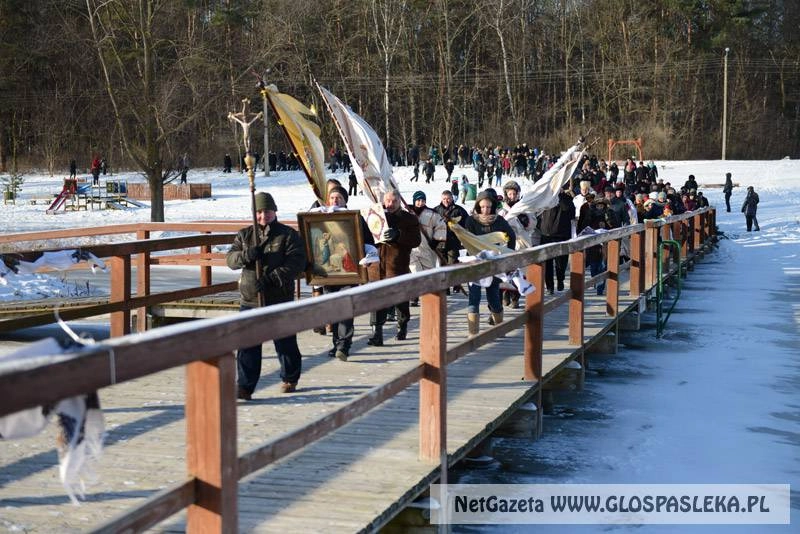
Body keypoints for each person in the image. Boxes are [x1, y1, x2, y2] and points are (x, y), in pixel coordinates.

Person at [226, 192, 306, 399]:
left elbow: (296, 263)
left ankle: (290, 377)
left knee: (285, 341)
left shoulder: (287, 235)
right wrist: (247, 255)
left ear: (274, 211)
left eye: (267, 212)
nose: (263, 216)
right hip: (251, 300)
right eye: (259, 212)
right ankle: (245, 386)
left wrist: (272, 277)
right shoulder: (245, 235)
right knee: (248, 345)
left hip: (279, 298)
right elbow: (231, 260)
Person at [321, 186, 374, 361]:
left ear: (345, 200)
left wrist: (367, 256)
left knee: (344, 306)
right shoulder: (321, 218)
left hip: (350, 271)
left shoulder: (355, 218)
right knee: (332, 308)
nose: (335, 201)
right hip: (329, 273)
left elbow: (368, 242)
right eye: (333, 198)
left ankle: (344, 344)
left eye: (339, 198)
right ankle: (336, 342)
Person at [367, 189, 421, 346]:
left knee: (400, 299)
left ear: (399, 202)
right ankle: (377, 333)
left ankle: (402, 325)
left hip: (397, 265)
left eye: (393, 201)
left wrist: (399, 234)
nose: (390, 204)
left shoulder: (408, 219)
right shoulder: (376, 215)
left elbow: (416, 240)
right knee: (377, 300)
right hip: (377, 266)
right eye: (387, 201)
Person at [465, 191, 516, 336]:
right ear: (478, 206)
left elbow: (511, 236)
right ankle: (473, 333)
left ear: (492, 206)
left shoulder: (499, 220)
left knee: (493, 296)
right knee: (474, 297)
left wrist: (506, 253)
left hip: (493, 264)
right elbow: (466, 238)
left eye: (488, 207)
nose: (485, 210)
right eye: (482, 207)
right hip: (474, 263)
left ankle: (499, 329)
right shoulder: (471, 221)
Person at [409, 191, 447, 306]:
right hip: (412, 249)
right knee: (415, 272)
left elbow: (441, 226)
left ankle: (429, 296)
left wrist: (436, 241)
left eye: (423, 200)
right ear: (414, 201)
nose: (420, 203)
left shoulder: (432, 214)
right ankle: (415, 296)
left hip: (427, 249)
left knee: (428, 273)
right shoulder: (408, 212)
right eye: (418, 200)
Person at [537, 182, 574, 295]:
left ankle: (560, 279)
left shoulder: (567, 199)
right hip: (546, 235)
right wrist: (540, 226)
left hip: (561, 235)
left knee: (561, 262)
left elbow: (569, 211)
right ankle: (549, 286)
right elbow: (537, 214)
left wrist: (561, 195)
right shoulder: (545, 199)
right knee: (547, 263)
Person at [434, 190, 469, 295]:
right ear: (441, 199)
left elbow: (466, 224)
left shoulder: (459, 210)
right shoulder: (436, 210)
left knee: (453, 263)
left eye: (448, 198)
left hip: (453, 241)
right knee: (442, 264)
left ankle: (455, 283)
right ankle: (445, 287)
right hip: (440, 241)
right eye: (444, 199)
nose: (446, 201)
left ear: (452, 198)